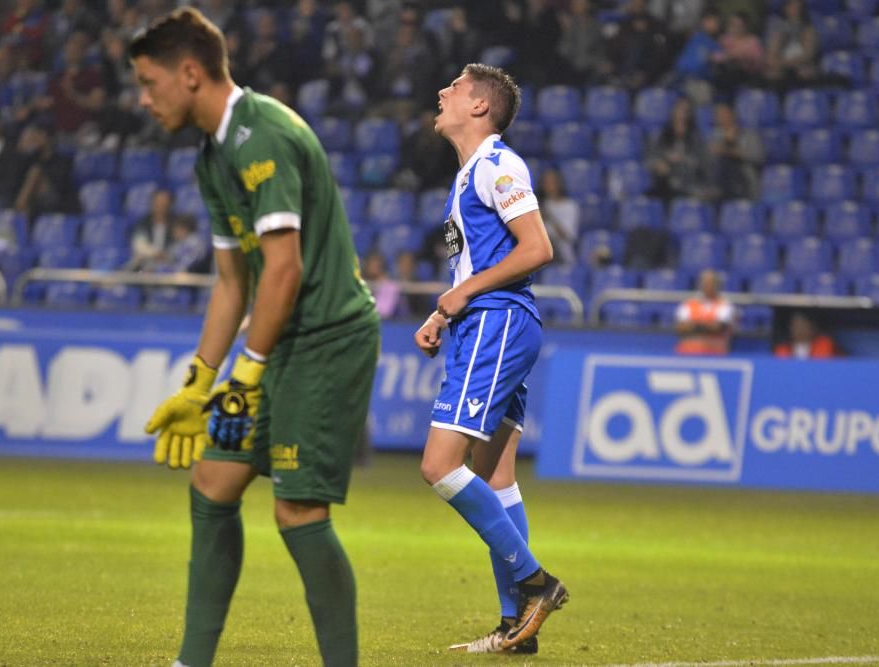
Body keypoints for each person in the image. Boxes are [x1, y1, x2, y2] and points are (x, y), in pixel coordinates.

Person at [129, 9, 380, 666]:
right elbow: (232, 285)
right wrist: (199, 382)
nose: (143, 99)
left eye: (149, 82)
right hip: (280, 337)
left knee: (297, 512)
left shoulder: (260, 134)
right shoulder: (212, 155)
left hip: (325, 337)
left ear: (190, 73)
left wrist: (246, 372)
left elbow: (287, 268)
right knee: (213, 480)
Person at [415, 63, 566, 655]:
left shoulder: (499, 166)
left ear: (480, 107)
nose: (442, 91)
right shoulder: (468, 175)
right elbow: (474, 264)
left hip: (497, 322)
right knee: (495, 474)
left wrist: (466, 296)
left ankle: (536, 583)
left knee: (438, 465)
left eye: (453, 87)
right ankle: (515, 629)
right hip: (489, 321)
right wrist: (444, 311)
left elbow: (538, 247)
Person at [675, 268, 736, 355]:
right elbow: (680, 328)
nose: (707, 285)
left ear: (717, 285)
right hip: (687, 351)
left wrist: (694, 325)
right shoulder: (688, 304)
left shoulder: (725, 305)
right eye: (704, 282)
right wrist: (706, 324)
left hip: (715, 352)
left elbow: (718, 328)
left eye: (711, 282)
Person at [537, 168, 579, 265]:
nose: (549, 185)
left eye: (552, 182)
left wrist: (549, 217)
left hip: (562, 255)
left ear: (560, 183)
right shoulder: (537, 206)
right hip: (540, 256)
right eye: (546, 182)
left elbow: (568, 236)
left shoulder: (570, 206)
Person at [774, 311, 839, 359]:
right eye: (796, 325)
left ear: (813, 327)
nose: (800, 330)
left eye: (803, 325)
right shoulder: (781, 349)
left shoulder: (826, 344)